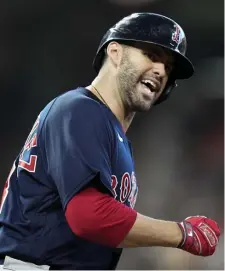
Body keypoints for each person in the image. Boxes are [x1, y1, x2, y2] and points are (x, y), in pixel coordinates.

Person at [0, 12, 220, 270]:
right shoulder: (80, 110)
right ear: (115, 52)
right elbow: (89, 216)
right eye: (151, 56)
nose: (161, 70)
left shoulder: (112, 134)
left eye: (168, 67)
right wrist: (181, 234)